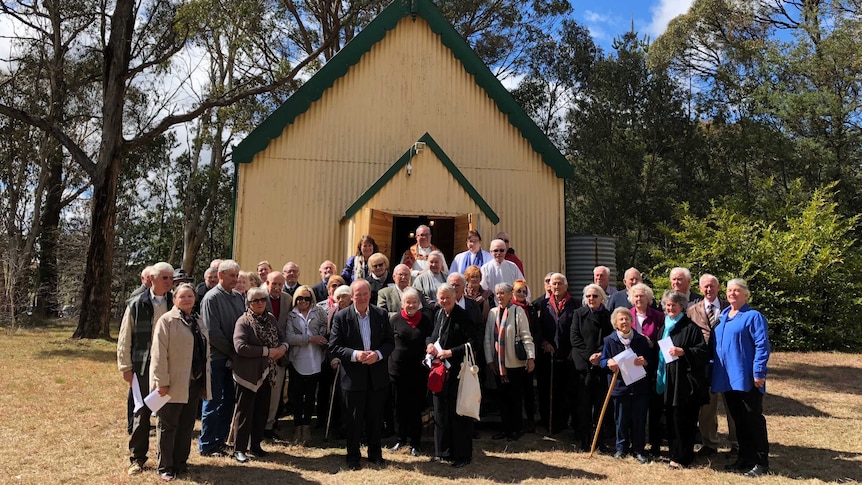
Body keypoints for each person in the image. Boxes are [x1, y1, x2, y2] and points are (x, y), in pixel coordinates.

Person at [328, 279, 395, 471]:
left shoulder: (381, 314)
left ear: (370, 295)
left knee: (375, 418)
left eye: (365, 294)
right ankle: (353, 457)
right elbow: (334, 346)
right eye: (358, 295)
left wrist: (378, 354)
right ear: (352, 296)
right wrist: (356, 355)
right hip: (353, 377)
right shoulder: (341, 317)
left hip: (377, 376)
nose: (362, 298)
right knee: (353, 420)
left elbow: (390, 342)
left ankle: (375, 455)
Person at [118, 262, 174, 475]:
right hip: (143, 365)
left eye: (171, 278)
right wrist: (125, 366)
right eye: (165, 278)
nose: (169, 282)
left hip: (168, 366)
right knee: (141, 412)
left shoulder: (176, 303)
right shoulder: (136, 304)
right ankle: (137, 458)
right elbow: (125, 337)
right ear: (152, 280)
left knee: (167, 414)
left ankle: (167, 461)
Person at [150, 283, 211, 481]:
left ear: (195, 299)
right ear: (175, 299)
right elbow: (158, 354)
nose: (186, 299)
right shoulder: (167, 321)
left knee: (186, 425)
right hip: (172, 382)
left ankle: (180, 462)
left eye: (190, 296)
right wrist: (162, 381)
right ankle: (166, 466)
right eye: (182, 296)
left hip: (193, 381)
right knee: (168, 425)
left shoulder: (197, 320)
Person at [712, 278, 771, 477]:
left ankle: (761, 463)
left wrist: (759, 372)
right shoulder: (723, 316)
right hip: (727, 378)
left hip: (747, 377)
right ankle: (745, 458)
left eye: (737, 290)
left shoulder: (753, 316)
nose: (732, 294)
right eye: (730, 290)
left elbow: (762, 345)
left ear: (746, 294)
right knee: (739, 420)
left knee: (753, 419)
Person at [231, 286, 288, 463]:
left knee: (261, 412)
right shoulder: (244, 321)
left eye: (263, 299)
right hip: (248, 375)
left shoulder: (270, 318)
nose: (260, 303)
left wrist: (283, 348)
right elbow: (240, 347)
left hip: (267, 373)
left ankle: (255, 445)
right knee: (245, 412)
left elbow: (282, 336)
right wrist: (267, 351)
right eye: (256, 300)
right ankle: (239, 449)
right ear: (248, 303)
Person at [657, 290, 709, 469]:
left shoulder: (690, 327)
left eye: (674, 305)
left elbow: (703, 352)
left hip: (684, 382)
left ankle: (683, 457)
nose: (670, 308)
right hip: (668, 379)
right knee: (671, 419)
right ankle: (674, 453)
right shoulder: (664, 327)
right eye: (668, 305)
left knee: (683, 419)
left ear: (682, 306)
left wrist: (684, 352)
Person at [426, 283, 476, 468]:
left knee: (458, 414)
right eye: (441, 298)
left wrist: (451, 352)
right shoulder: (439, 314)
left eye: (448, 297)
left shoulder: (463, 316)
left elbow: (472, 342)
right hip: (440, 372)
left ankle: (462, 455)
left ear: (455, 297)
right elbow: (433, 335)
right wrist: (430, 344)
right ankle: (442, 452)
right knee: (440, 413)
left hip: (457, 371)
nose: (444, 301)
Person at [199, 260, 245, 457]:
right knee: (213, 400)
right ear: (220, 276)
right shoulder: (211, 298)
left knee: (229, 401)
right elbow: (212, 333)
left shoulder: (237, 297)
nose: (235, 280)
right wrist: (233, 351)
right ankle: (207, 444)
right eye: (231, 276)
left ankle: (220, 440)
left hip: (233, 358)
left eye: (237, 276)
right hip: (217, 358)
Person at [686, 274, 735, 457]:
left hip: (727, 364)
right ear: (700, 289)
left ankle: (736, 444)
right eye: (705, 287)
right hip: (704, 366)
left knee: (732, 405)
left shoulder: (729, 308)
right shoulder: (692, 310)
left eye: (712, 286)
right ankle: (709, 443)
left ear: (718, 288)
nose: (709, 290)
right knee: (707, 406)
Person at [485, 283, 535, 441]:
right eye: (497, 293)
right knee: (502, 398)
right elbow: (488, 338)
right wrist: (489, 360)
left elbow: (526, 335)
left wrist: (531, 357)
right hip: (498, 364)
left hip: (515, 364)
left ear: (509, 295)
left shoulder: (517, 311)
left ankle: (516, 429)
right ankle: (505, 429)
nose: (499, 296)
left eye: (502, 293)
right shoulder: (493, 312)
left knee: (515, 398)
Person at [600, 308, 650, 464]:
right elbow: (602, 361)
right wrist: (608, 362)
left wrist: (645, 361)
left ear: (631, 321)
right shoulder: (609, 340)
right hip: (620, 387)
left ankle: (639, 450)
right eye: (620, 320)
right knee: (620, 420)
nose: (624, 322)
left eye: (627, 319)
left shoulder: (641, 340)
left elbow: (651, 360)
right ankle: (621, 449)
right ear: (615, 323)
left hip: (639, 387)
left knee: (639, 420)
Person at [388, 288, 434, 456]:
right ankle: (400, 440)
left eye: (414, 302)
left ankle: (415, 442)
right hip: (397, 371)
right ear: (402, 304)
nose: (411, 305)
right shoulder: (394, 320)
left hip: (418, 372)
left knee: (415, 408)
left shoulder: (426, 320)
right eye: (408, 302)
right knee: (398, 407)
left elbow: (430, 339)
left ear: (419, 304)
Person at [570, 283, 613, 451]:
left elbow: (610, 338)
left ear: (601, 297)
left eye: (595, 296)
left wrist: (600, 354)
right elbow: (574, 338)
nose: (591, 299)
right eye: (588, 296)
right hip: (583, 366)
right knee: (584, 406)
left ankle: (599, 441)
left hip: (601, 366)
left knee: (600, 406)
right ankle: (585, 441)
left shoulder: (608, 316)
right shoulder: (578, 314)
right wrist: (590, 356)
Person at [535, 273, 578, 433]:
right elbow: (537, 329)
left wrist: (574, 348)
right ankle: (547, 421)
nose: (557, 287)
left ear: (566, 286)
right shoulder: (542, 305)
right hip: (548, 354)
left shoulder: (575, 304)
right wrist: (544, 342)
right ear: (550, 286)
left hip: (568, 355)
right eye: (554, 284)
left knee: (566, 390)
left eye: (560, 284)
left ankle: (563, 422)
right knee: (547, 389)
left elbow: (577, 329)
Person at [285, 285, 327, 445]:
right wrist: (310, 339)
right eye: (300, 298)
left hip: (315, 359)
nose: (303, 301)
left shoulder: (319, 312)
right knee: (296, 396)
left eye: (307, 299)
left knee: (310, 396)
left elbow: (325, 328)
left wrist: (320, 337)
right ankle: (297, 426)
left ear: (312, 300)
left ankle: (307, 426)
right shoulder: (291, 315)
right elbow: (289, 337)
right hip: (297, 359)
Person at [627, 283, 665, 456]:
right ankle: (634, 443)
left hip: (653, 366)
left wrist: (652, 344)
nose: (639, 299)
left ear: (648, 298)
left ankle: (655, 444)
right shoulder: (627, 315)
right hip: (632, 367)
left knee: (655, 407)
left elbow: (665, 340)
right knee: (634, 407)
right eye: (636, 296)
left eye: (642, 296)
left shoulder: (659, 316)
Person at [263, 271, 293, 439]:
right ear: (267, 283)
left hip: (280, 353)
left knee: (276, 393)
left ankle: (269, 426)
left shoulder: (288, 300)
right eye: (273, 284)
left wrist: (283, 347)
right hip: (261, 354)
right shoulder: (258, 297)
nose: (276, 287)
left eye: (280, 284)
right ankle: (257, 425)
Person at [512, 278, 540, 433]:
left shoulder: (531, 309)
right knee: (516, 391)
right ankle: (517, 422)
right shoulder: (511, 308)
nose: (522, 294)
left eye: (524, 291)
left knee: (529, 390)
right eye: (518, 291)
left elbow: (536, 330)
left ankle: (530, 420)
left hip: (529, 353)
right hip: (514, 354)